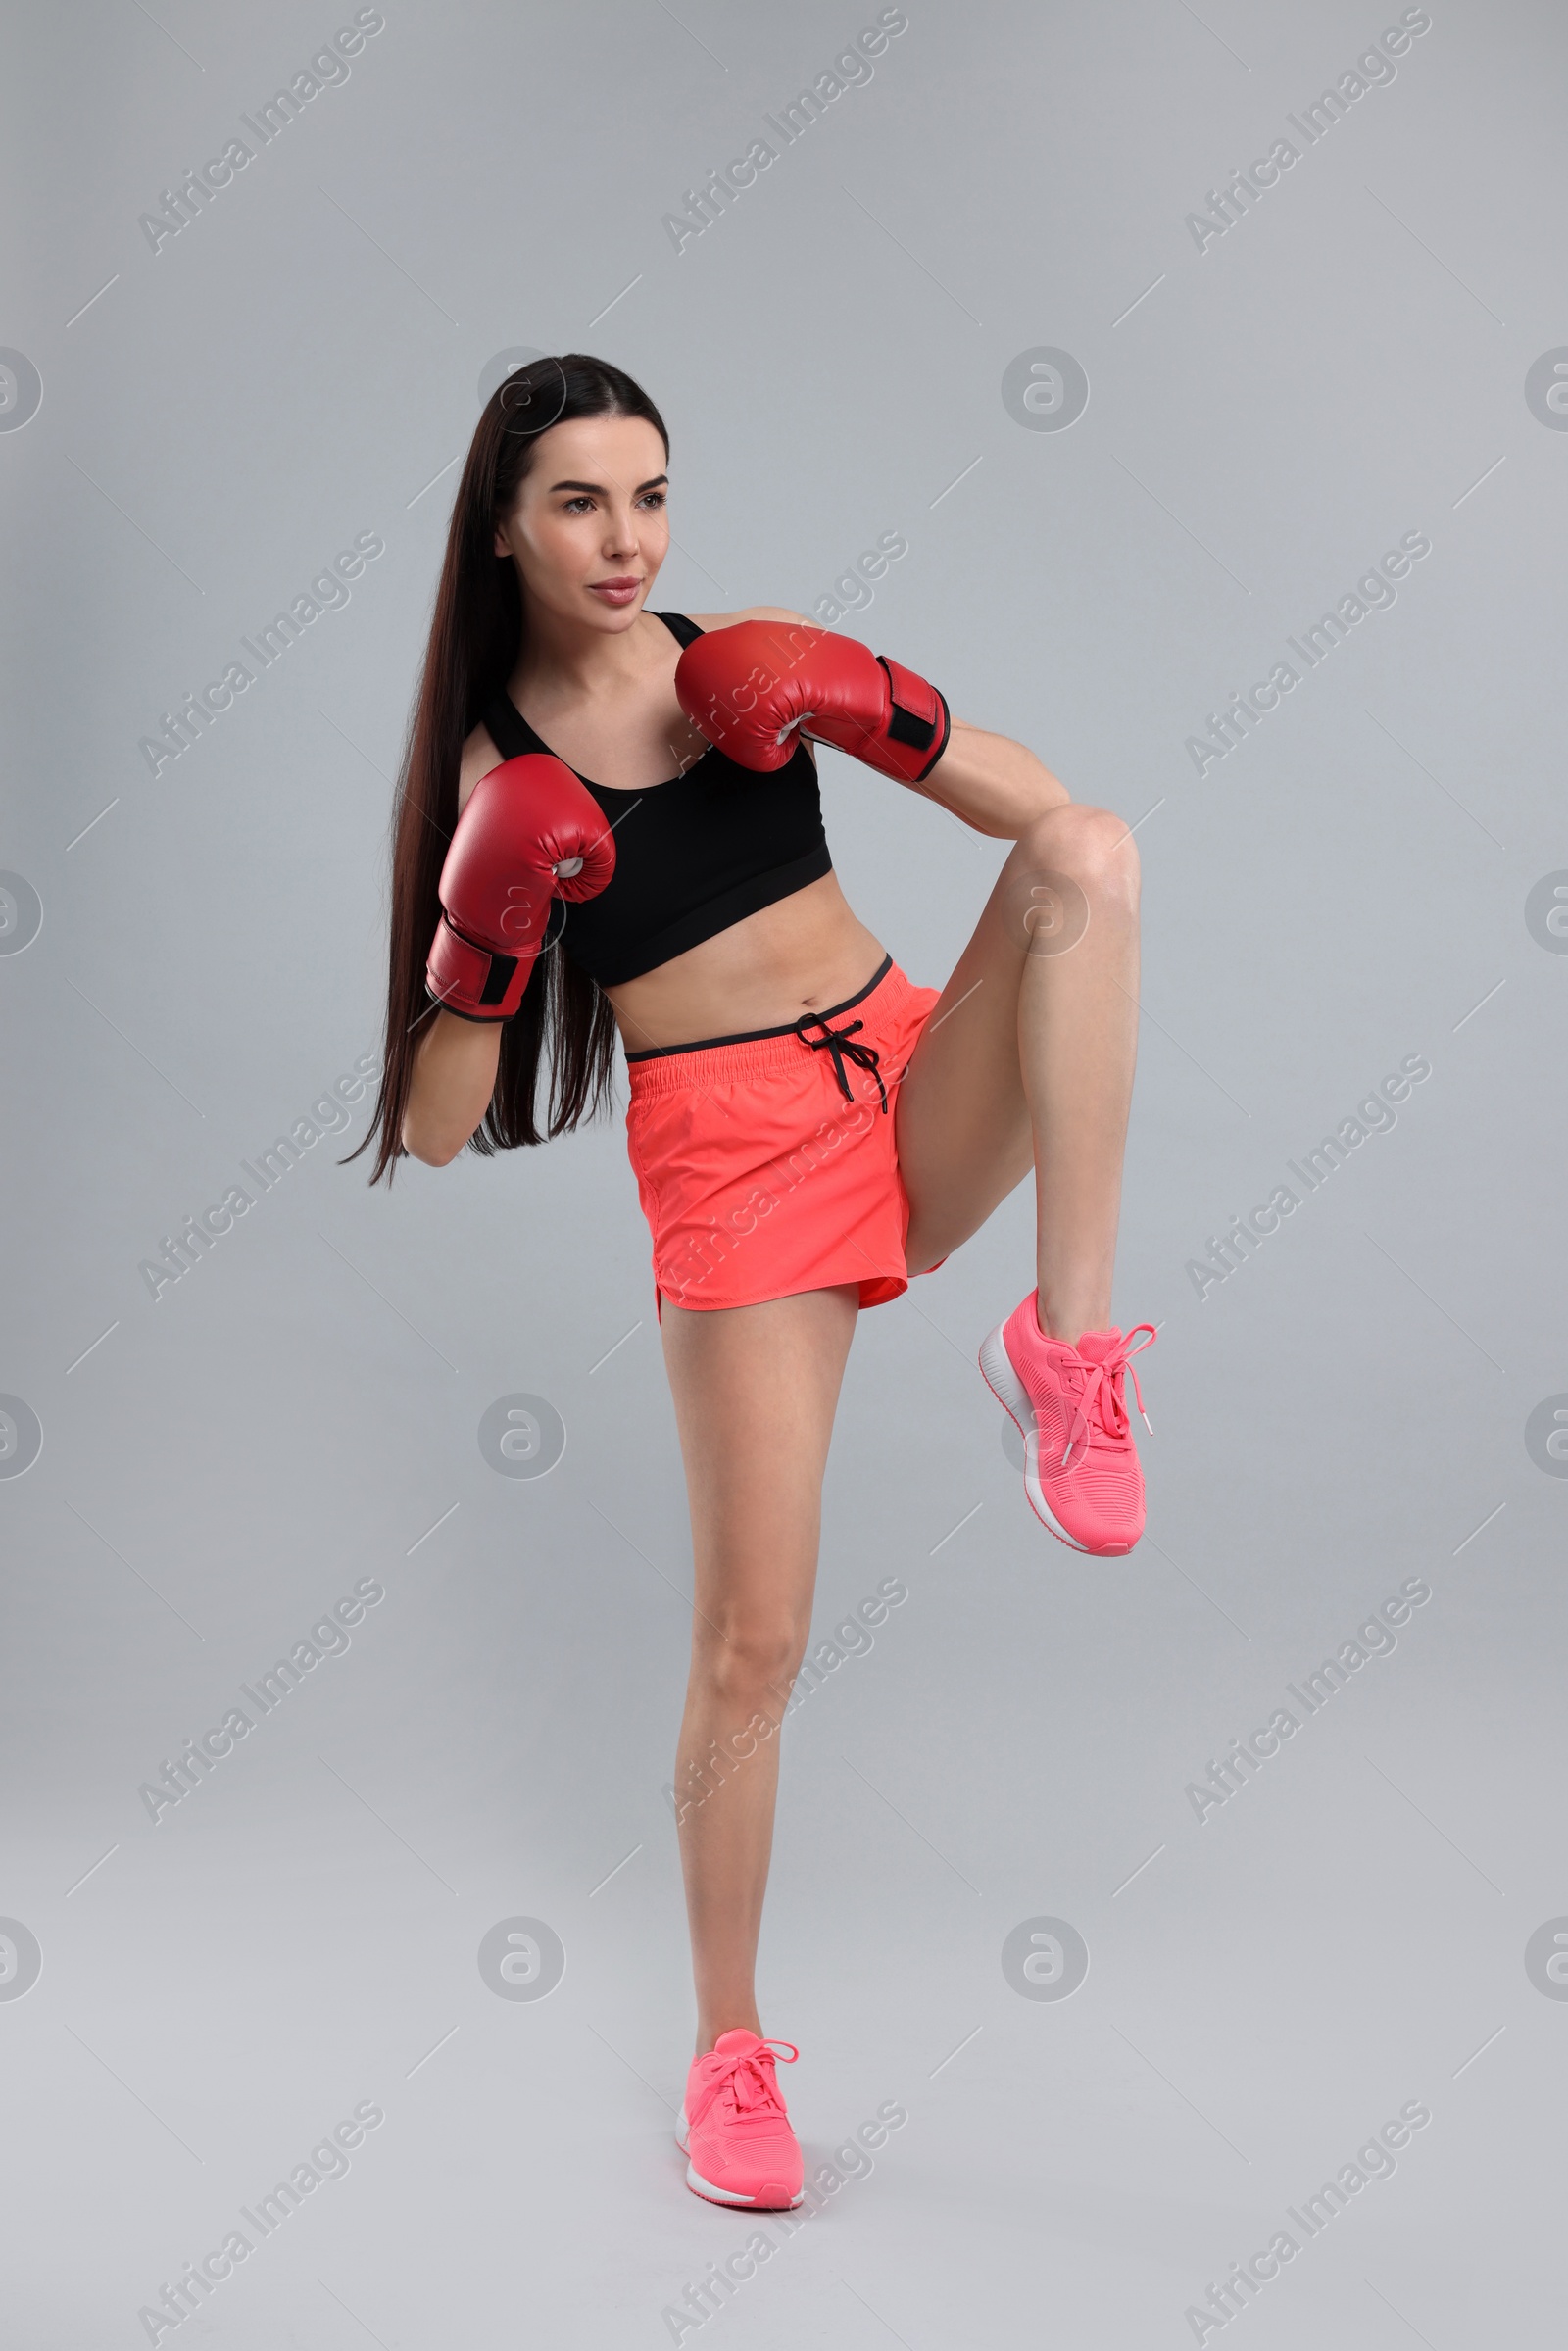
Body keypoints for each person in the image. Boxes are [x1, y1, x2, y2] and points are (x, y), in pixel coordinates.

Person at [351, 352, 1153, 2211]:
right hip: (734, 1167)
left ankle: (1069, 1343)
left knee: (1093, 857)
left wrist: (880, 709)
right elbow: (444, 1122)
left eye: (649, 496)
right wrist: (487, 929)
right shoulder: (497, 775)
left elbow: (1039, 815)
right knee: (754, 1640)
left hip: (899, 1060)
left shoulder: (741, 666)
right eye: (578, 502)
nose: (626, 540)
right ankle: (731, 2050)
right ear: (502, 528)